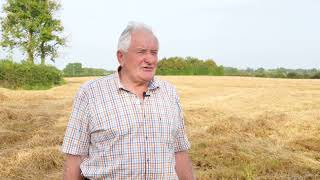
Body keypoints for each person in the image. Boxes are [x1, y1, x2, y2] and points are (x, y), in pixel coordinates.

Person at [61, 21, 195, 180]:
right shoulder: (91, 93)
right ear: (121, 57)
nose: (150, 59)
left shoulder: (169, 93)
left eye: (154, 52)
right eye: (141, 52)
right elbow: (75, 158)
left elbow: (179, 153)